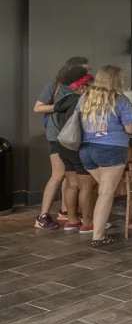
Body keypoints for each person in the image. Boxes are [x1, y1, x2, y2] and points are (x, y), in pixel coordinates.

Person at [77, 65, 132, 247]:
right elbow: (130, 129)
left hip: (86, 150)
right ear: (116, 80)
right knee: (106, 193)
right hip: (111, 149)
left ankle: (99, 228)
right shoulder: (121, 100)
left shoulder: (85, 98)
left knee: (103, 190)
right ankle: (98, 237)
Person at [33, 56, 89, 229]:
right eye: (85, 69)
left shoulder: (81, 89)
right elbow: (37, 107)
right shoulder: (55, 86)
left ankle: (66, 211)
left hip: (71, 135)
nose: (88, 73)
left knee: (68, 174)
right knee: (58, 175)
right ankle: (42, 216)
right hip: (57, 135)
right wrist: (61, 106)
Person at [51, 67, 96, 234]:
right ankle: (88, 223)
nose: (95, 89)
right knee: (86, 187)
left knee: (72, 185)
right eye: (92, 85)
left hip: (63, 146)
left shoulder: (65, 99)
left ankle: (71, 221)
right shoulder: (85, 101)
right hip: (79, 147)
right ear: (83, 86)